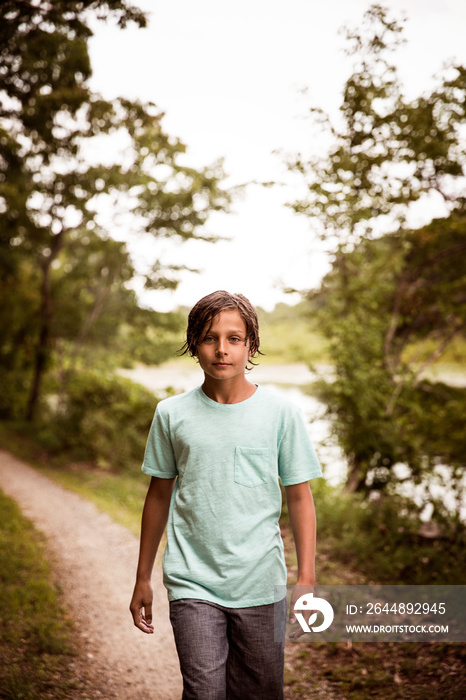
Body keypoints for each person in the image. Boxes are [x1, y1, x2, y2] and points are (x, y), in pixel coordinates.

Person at [129, 290, 322, 700]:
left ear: (250, 344)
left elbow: (300, 497)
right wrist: (142, 577)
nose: (221, 350)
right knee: (204, 693)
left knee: (261, 692)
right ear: (193, 344)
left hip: (260, 582)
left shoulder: (280, 413)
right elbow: (158, 496)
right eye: (209, 337)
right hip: (192, 581)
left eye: (234, 338)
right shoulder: (171, 414)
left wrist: (305, 578)